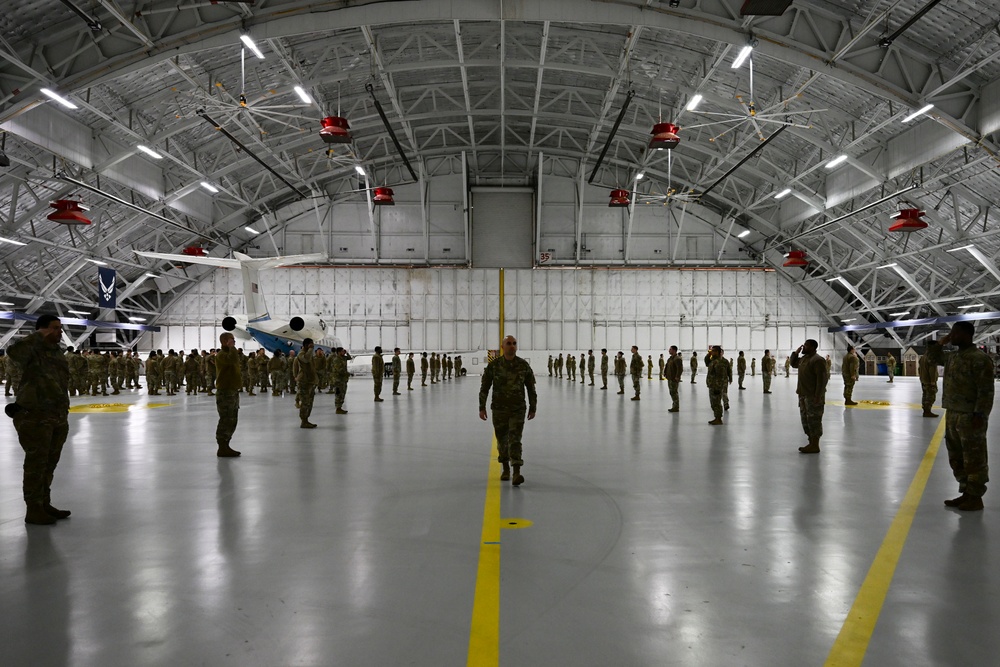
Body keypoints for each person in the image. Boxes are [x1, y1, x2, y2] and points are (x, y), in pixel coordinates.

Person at [6, 315, 72, 525]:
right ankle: (33, 509)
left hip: (57, 416)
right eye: (55, 328)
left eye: (60, 328)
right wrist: (38, 335)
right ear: (43, 330)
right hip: (35, 416)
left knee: (49, 463)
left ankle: (44, 503)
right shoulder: (30, 351)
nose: (60, 332)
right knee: (36, 463)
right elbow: (13, 352)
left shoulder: (55, 352)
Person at [925, 323, 994, 511]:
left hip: (970, 415)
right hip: (953, 412)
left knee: (974, 456)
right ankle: (966, 492)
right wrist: (941, 342)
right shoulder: (952, 356)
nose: (952, 336)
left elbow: (986, 391)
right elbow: (931, 358)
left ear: (966, 335)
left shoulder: (979, 358)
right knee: (956, 455)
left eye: (955, 333)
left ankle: (975, 496)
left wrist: (981, 414)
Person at [479, 335, 537, 487]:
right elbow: (484, 388)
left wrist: (533, 407)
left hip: (518, 409)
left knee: (515, 439)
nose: (512, 346)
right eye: (509, 343)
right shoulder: (494, 366)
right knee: (502, 440)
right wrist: (481, 407)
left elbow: (531, 388)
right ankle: (505, 468)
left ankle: (516, 471)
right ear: (503, 347)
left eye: (514, 343)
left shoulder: (523, 365)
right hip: (499, 409)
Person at [790, 340, 828, 454]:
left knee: (814, 420)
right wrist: (795, 353)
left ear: (812, 347)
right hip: (803, 394)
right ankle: (811, 442)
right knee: (805, 420)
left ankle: (815, 444)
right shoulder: (804, 359)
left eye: (806, 345)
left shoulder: (817, 360)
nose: (803, 347)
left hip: (813, 396)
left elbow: (822, 380)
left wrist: (818, 396)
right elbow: (793, 363)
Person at [214, 332, 242, 457]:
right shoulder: (221, 355)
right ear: (225, 341)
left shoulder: (230, 353)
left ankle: (226, 444)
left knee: (232, 419)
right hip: (225, 392)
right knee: (225, 419)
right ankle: (222, 446)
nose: (234, 342)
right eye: (232, 339)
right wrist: (232, 347)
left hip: (232, 391)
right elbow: (232, 360)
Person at [296, 338, 318, 428]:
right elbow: (306, 360)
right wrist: (310, 349)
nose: (312, 347)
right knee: (305, 402)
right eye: (310, 345)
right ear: (306, 345)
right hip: (304, 382)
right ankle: (303, 421)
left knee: (309, 402)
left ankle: (306, 420)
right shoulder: (301, 354)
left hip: (310, 381)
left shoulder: (310, 354)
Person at [706, 346, 728, 425]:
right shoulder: (713, 361)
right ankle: (716, 417)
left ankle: (718, 419)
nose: (712, 352)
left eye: (714, 351)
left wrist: (718, 388)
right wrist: (708, 354)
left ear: (718, 352)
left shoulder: (719, 363)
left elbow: (721, 376)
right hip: (712, 385)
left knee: (717, 403)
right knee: (713, 403)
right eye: (712, 351)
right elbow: (706, 362)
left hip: (716, 386)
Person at [918, 348, 939, 418]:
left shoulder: (922, 357)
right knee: (930, 395)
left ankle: (925, 410)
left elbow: (919, 369)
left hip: (923, 379)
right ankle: (928, 411)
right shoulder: (931, 358)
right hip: (929, 380)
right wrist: (933, 381)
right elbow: (932, 370)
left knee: (925, 395)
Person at [331, 347, 351, 413]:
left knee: (342, 393)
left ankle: (340, 407)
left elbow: (349, 358)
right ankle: (338, 408)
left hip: (343, 379)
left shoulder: (343, 358)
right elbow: (339, 370)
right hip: (338, 380)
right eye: (342, 351)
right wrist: (347, 373)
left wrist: (347, 352)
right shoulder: (336, 359)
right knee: (339, 393)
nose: (343, 352)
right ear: (339, 352)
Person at [665, 345, 683, 413]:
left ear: (674, 350)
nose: (669, 350)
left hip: (674, 378)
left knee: (674, 392)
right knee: (672, 392)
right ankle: (674, 405)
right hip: (670, 377)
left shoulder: (677, 359)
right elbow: (667, 366)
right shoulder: (670, 358)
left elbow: (680, 369)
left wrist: (677, 376)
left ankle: (676, 407)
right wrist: (665, 373)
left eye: (670, 349)